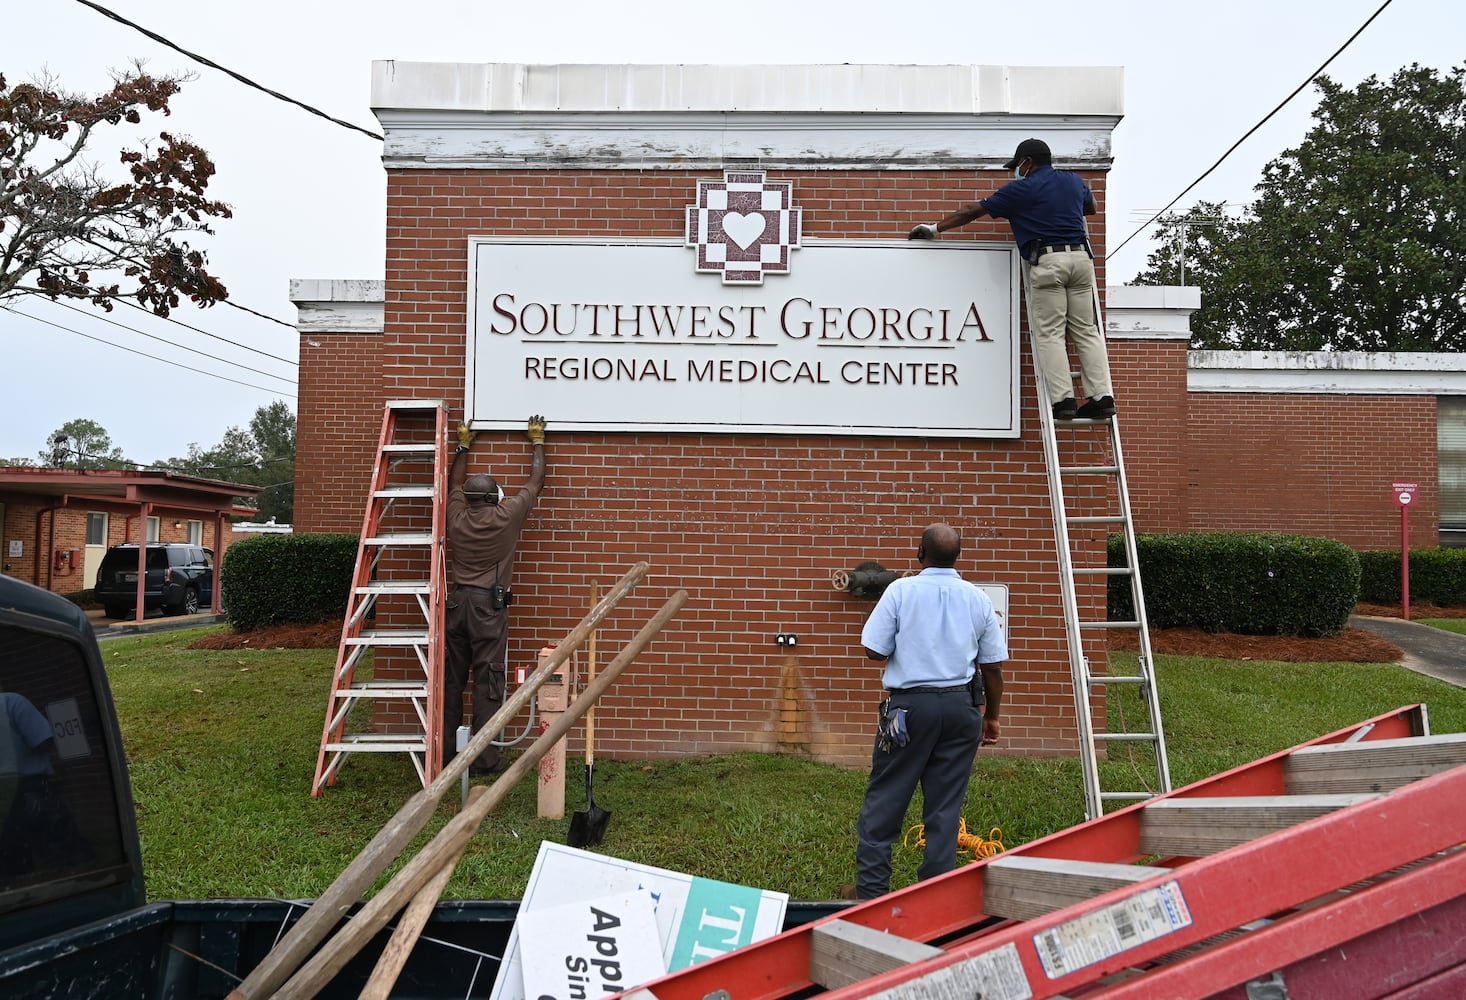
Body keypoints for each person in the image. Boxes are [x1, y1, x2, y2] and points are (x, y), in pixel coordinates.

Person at [851, 523, 1007, 900]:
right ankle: (935, 899)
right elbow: (993, 667)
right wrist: (992, 716)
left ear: (920, 553)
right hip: (962, 708)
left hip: (908, 710)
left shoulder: (900, 591)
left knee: (887, 795)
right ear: (958, 556)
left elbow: (873, 650)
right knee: (945, 804)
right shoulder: (977, 598)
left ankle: (871, 893)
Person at [909, 137, 1116, 421]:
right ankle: (1102, 398)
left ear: (1027, 163)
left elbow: (972, 211)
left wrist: (934, 228)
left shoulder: (1022, 189)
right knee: (1087, 331)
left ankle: (1064, 401)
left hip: (1048, 262)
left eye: (1017, 166)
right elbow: (1090, 207)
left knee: (1051, 333)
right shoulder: (1073, 181)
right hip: (1081, 261)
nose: (1015, 171)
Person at [444, 414, 547, 776]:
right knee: (488, 682)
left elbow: (456, 482)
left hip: (456, 604)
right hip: (489, 607)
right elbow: (536, 482)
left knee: (451, 681)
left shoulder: (455, 515)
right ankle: (484, 759)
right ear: (493, 497)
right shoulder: (506, 516)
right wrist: (537, 441)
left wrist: (463, 445)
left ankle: (447, 756)